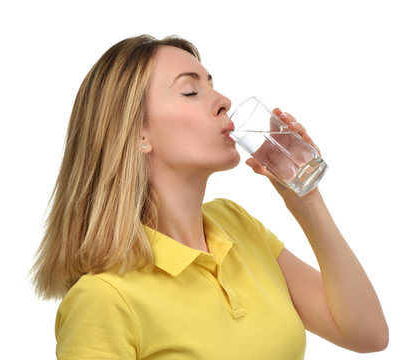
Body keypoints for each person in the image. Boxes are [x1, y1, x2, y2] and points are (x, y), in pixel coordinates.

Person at [31, 35, 388, 359]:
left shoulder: (236, 225)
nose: (223, 101)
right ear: (139, 134)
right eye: (190, 92)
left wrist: (306, 198)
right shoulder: (104, 300)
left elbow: (367, 334)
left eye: (212, 85)